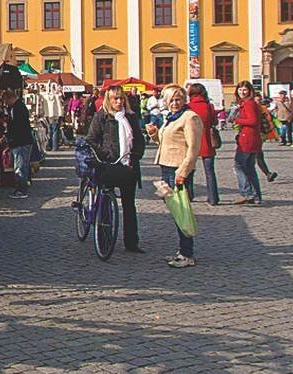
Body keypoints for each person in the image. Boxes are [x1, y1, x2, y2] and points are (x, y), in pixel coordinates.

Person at [86, 86, 146, 253]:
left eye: (121, 99)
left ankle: (132, 242)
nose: (119, 102)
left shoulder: (130, 117)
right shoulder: (102, 116)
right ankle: (104, 239)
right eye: (115, 99)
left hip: (128, 166)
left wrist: (135, 156)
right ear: (109, 100)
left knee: (129, 205)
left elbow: (139, 141)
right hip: (108, 165)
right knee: (106, 202)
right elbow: (91, 139)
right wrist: (104, 154)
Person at [148, 84, 203, 267]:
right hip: (167, 166)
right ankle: (182, 250)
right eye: (171, 100)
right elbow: (166, 142)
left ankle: (187, 254)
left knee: (182, 211)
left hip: (178, 169)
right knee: (176, 211)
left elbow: (194, 149)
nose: (174, 103)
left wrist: (183, 172)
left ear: (184, 99)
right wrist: (155, 135)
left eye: (178, 99)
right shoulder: (171, 118)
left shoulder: (190, 118)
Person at [230, 81, 264, 205]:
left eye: (244, 90)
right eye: (240, 90)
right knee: (250, 168)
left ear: (250, 91)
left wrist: (237, 120)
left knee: (238, 165)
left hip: (247, 139)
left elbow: (252, 121)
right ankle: (256, 196)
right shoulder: (249, 104)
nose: (242, 92)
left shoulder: (249, 104)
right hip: (254, 139)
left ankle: (246, 193)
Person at [187, 82, 220, 205]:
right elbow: (215, 122)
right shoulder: (208, 106)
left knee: (189, 170)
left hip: (192, 142)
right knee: (210, 172)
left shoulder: (188, 107)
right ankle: (213, 198)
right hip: (207, 141)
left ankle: (189, 195)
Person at [1, 87, 34, 199]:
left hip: (21, 142)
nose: (6, 104)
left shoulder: (16, 108)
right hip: (23, 140)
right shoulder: (19, 106)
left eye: (6, 101)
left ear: (10, 99)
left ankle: (21, 190)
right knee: (22, 165)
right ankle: (22, 187)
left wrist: (9, 136)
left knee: (20, 166)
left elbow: (16, 126)